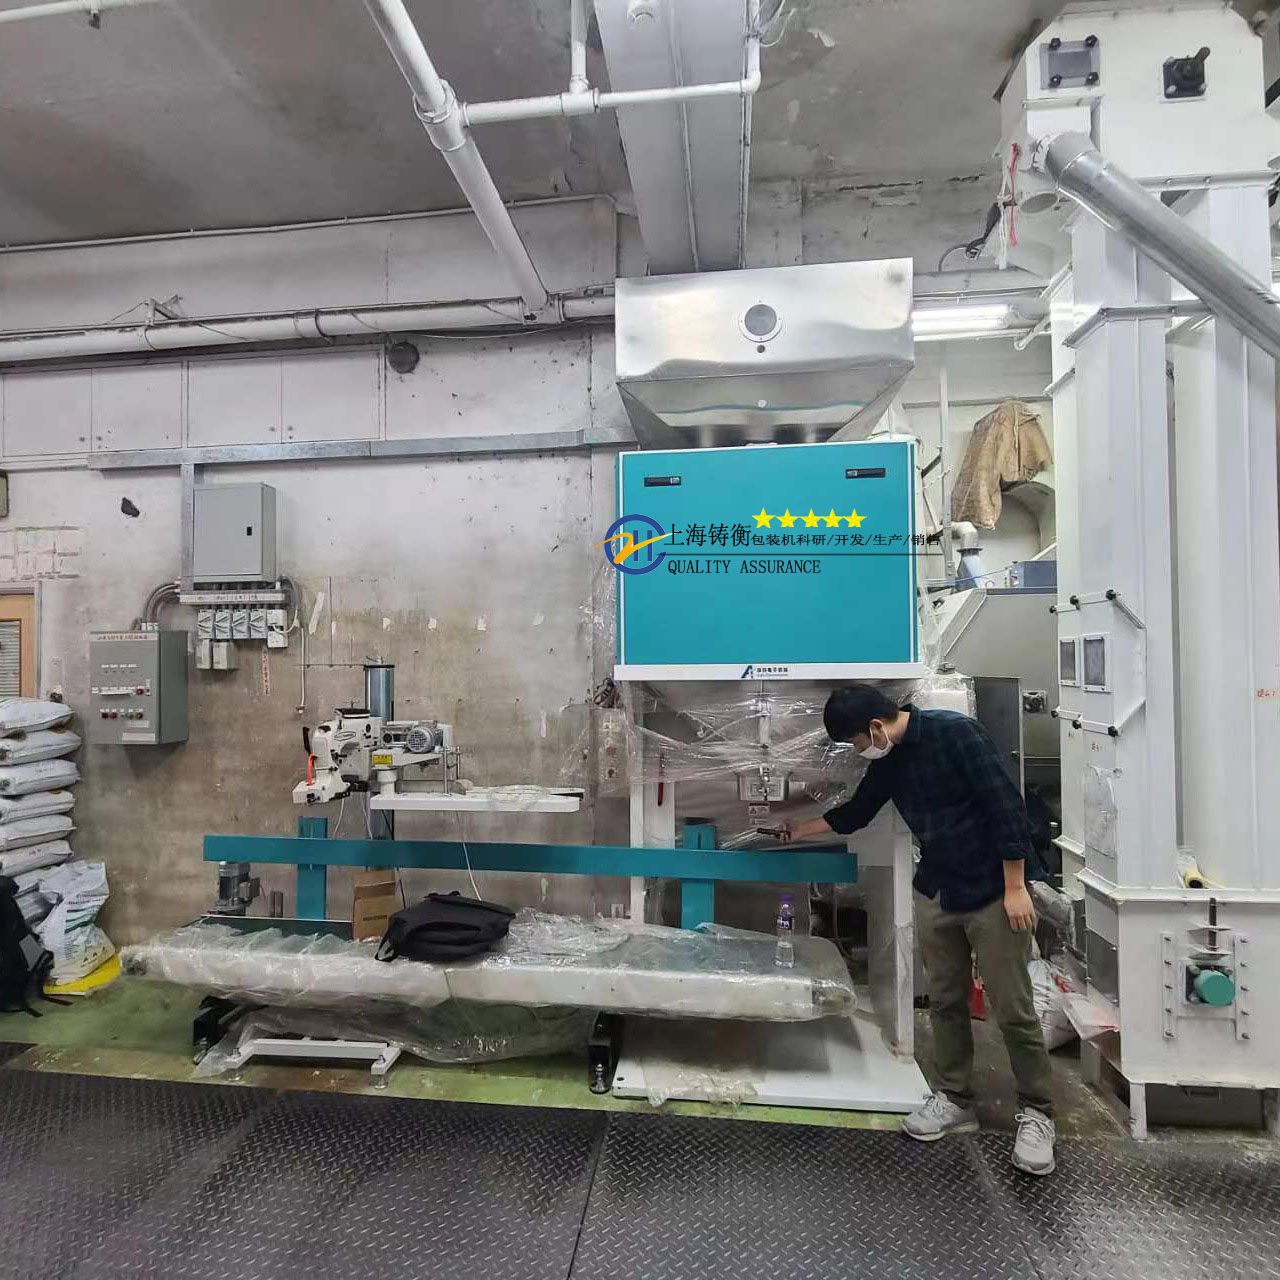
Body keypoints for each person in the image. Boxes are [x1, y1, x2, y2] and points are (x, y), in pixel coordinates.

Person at [782, 683, 1056, 1176]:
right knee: (945, 1000)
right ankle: (954, 1096)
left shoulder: (958, 734)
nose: (859, 752)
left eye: (856, 742)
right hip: (937, 889)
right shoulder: (889, 762)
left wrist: (1016, 886)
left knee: (1013, 1007)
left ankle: (1038, 1112)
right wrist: (798, 829)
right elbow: (858, 812)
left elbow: (1006, 806)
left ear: (875, 727)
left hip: (993, 888)